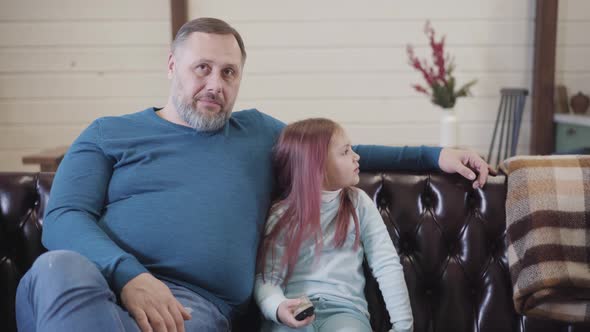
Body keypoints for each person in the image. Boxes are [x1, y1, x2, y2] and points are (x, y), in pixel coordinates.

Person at [15, 17, 492, 332]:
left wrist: (435, 154)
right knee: (58, 268)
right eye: (202, 68)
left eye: (229, 73)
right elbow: (64, 218)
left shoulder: (257, 134)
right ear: (170, 65)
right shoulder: (108, 134)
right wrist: (130, 277)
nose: (214, 84)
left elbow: (333, 152)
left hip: (191, 309)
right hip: (96, 284)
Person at [255, 118, 412, 332]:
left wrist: (403, 327)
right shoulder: (281, 215)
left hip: (346, 312)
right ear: (317, 166)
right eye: (345, 152)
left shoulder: (359, 203)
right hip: (293, 313)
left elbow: (387, 265)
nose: (357, 157)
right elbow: (268, 280)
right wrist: (278, 307)